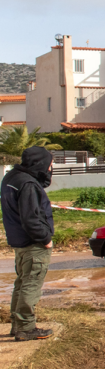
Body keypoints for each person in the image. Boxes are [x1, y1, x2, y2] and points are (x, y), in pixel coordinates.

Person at [1, 146, 55, 341]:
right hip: (33, 243)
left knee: (22, 283)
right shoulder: (28, 184)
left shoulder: (11, 178)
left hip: (19, 242)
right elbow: (31, 219)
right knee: (31, 284)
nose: (50, 169)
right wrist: (45, 239)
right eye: (49, 164)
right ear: (40, 163)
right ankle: (26, 328)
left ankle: (17, 326)